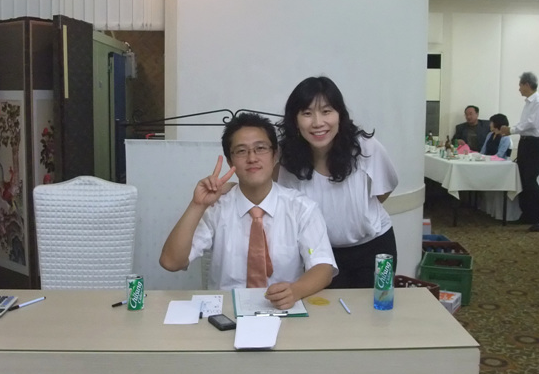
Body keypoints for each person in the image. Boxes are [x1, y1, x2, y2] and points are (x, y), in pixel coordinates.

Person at [159, 112, 338, 309]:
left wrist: (295, 291)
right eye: (241, 151)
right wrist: (197, 205)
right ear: (230, 162)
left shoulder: (301, 208)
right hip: (226, 311)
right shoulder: (217, 207)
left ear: (275, 155)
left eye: (260, 148)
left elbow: (323, 267)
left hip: (283, 309)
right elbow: (171, 262)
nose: (252, 158)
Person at [276, 76, 398, 289]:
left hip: (374, 247)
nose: (318, 123)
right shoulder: (285, 158)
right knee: (323, 309)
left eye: (326, 111)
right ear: (295, 120)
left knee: (377, 306)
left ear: (340, 114)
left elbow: (384, 190)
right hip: (319, 256)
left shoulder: (366, 147)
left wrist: (359, 214)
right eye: (307, 113)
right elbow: (277, 198)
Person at [500, 72, 539, 232]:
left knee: (530, 180)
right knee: (522, 180)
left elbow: (532, 124)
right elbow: (526, 123)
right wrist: (514, 130)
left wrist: (511, 130)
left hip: (534, 145)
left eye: (520, 85)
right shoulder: (529, 103)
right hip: (525, 143)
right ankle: (528, 214)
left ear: (527, 84)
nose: (519, 89)